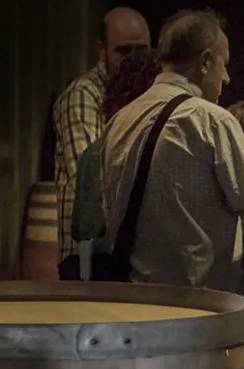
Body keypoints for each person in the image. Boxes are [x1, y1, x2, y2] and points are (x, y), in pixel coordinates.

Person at [102, 9, 244, 293]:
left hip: (133, 302)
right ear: (206, 62)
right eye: (224, 64)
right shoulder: (212, 120)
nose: (227, 78)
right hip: (198, 305)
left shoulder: (119, 122)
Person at [52, 6, 151, 279]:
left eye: (141, 50)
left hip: (121, 252)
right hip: (86, 256)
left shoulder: (141, 95)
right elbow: (90, 180)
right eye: (123, 51)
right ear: (101, 50)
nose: (133, 59)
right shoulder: (84, 95)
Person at [64, 48, 162, 280]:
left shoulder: (95, 151)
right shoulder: (165, 147)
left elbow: (84, 232)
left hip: (105, 281)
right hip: (155, 282)